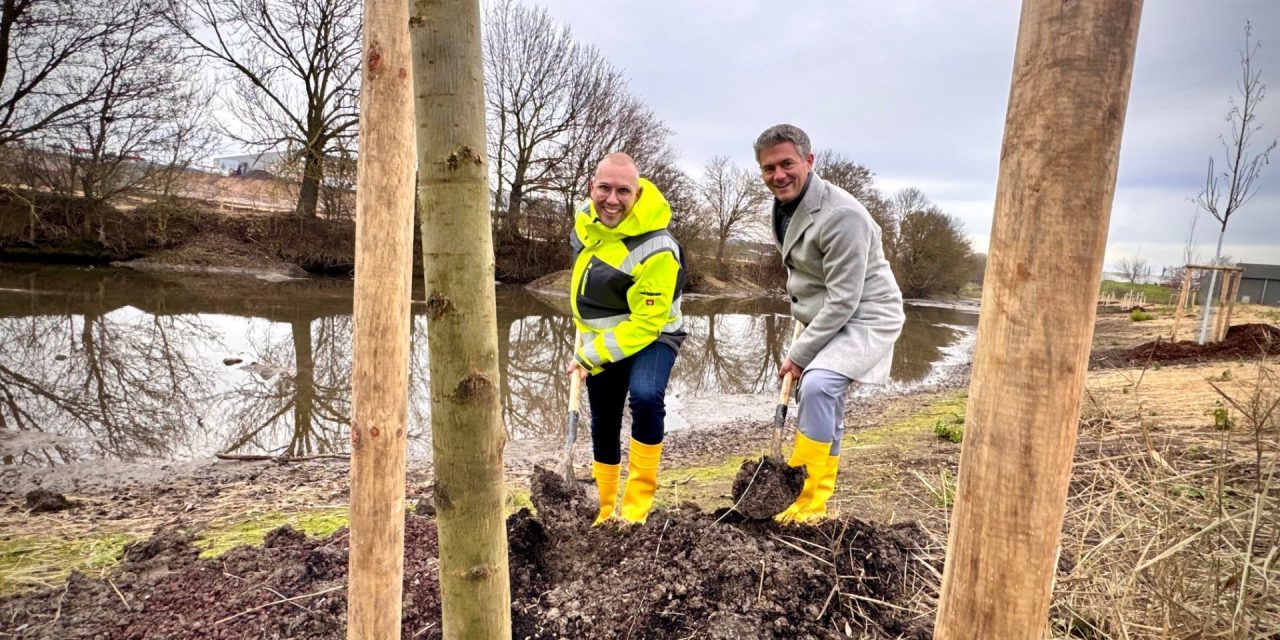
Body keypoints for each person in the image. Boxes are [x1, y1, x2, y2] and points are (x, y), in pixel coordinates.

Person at [754, 124, 905, 524]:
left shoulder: (842, 216)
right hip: (826, 311)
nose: (779, 175)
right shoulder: (785, 207)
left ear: (809, 160)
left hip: (866, 313)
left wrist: (798, 356)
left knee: (818, 385)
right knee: (821, 396)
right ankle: (817, 495)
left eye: (787, 163)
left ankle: (807, 501)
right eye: (769, 169)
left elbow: (844, 299)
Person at [566, 152, 686, 526]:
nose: (611, 199)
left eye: (622, 191)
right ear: (591, 188)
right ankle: (604, 509)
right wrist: (586, 340)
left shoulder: (659, 248)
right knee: (603, 417)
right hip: (603, 337)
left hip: (653, 336)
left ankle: (635, 509)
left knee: (646, 398)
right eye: (604, 188)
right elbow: (589, 295)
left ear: (637, 194)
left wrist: (591, 357)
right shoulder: (584, 227)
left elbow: (647, 322)